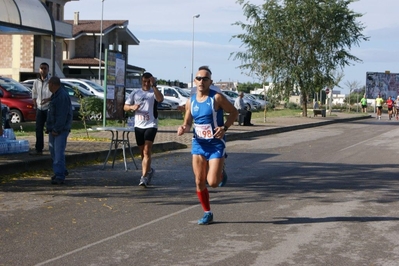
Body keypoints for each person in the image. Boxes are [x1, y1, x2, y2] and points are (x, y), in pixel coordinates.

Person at [177, 66, 238, 225]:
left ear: (210, 82)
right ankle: (207, 212)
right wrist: (184, 128)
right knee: (199, 181)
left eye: (205, 79)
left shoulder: (216, 98)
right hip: (198, 143)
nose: (201, 81)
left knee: (213, 183)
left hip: (216, 144)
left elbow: (234, 112)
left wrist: (224, 128)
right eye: (198, 78)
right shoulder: (191, 101)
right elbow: (188, 122)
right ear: (195, 81)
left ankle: (221, 172)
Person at [124, 72, 164, 187]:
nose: (146, 84)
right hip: (138, 125)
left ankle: (144, 177)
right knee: (142, 152)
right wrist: (132, 107)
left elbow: (160, 99)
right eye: (144, 82)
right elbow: (125, 107)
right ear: (141, 81)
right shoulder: (135, 93)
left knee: (147, 150)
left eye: (148, 82)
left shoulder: (153, 93)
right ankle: (149, 171)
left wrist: (154, 85)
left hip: (151, 125)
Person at [46, 77, 73, 185]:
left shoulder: (61, 96)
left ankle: (60, 175)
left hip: (60, 130)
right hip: (53, 128)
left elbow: (62, 115)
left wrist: (57, 129)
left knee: (58, 153)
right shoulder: (56, 95)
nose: (48, 86)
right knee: (53, 151)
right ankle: (61, 170)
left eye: (49, 84)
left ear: (52, 84)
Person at [30, 62, 52, 155]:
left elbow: (55, 94)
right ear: (39, 70)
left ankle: (52, 148)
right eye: (41, 68)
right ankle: (39, 149)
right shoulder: (36, 82)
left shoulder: (51, 81)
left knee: (50, 128)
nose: (43, 70)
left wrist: (48, 100)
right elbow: (34, 93)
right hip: (39, 107)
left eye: (45, 68)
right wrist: (35, 102)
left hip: (49, 108)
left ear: (48, 70)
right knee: (38, 128)